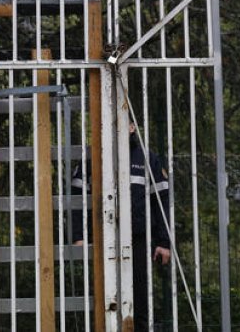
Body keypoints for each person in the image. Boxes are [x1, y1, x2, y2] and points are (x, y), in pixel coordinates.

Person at [71, 122, 172, 330]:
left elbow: (161, 201)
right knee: (101, 298)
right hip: (100, 240)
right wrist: (79, 236)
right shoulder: (90, 160)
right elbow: (76, 201)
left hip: (138, 240)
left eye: (123, 123)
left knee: (140, 300)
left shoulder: (147, 158)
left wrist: (163, 242)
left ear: (133, 128)